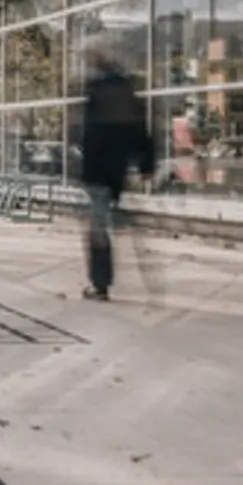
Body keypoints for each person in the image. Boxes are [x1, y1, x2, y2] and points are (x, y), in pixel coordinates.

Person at [77, 47, 154, 300]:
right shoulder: (126, 90)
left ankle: (100, 284)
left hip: (98, 169)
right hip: (115, 168)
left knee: (97, 227)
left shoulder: (98, 90)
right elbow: (139, 130)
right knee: (100, 222)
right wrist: (146, 164)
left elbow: (90, 134)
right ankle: (100, 281)